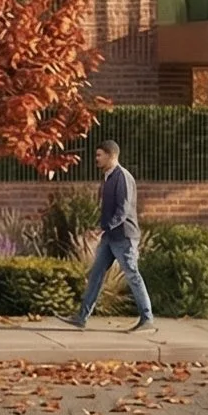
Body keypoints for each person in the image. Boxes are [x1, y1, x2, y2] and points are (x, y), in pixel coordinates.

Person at [65, 139, 156, 331]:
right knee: (96, 274)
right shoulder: (108, 177)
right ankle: (81, 317)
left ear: (111, 155)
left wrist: (103, 228)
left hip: (124, 236)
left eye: (99, 155)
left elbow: (123, 209)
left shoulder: (122, 177)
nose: (96, 159)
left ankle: (147, 318)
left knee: (132, 275)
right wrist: (102, 228)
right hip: (110, 237)